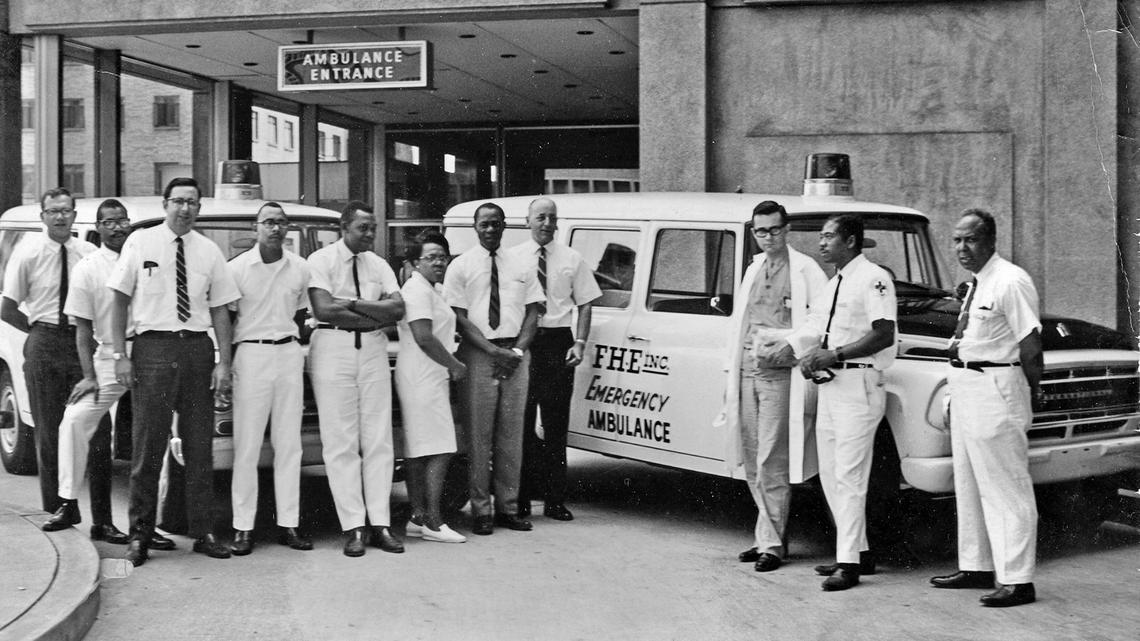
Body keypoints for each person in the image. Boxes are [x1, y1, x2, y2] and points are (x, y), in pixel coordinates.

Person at [108, 177, 241, 567]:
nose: (185, 209)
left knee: (200, 447)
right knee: (148, 445)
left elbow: (220, 309)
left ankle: (204, 532)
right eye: (179, 201)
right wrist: (121, 354)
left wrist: (224, 362)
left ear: (199, 208)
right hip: (152, 348)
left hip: (197, 348)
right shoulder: (140, 242)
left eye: (193, 203)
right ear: (165, 204)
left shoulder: (209, 251)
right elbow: (118, 301)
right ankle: (140, 534)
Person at [929, 208, 1042, 608]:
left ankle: (1018, 579)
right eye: (957, 240)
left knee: (1005, 487)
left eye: (971, 239)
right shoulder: (978, 283)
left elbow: (1030, 346)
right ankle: (976, 565)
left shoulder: (1011, 281)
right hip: (967, 387)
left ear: (991, 241)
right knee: (970, 483)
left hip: (997, 388)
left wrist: (1032, 392)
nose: (962, 247)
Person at [786, 214, 897, 592]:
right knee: (831, 472)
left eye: (829, 236)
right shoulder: (833, 283)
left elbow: (884, 334)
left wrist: (833, 355)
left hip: (859, 383)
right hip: (832, 386)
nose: (821, 243)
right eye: (821, 236)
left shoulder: (874, 278)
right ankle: (858, 551)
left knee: (849, 474)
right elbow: (814, 327)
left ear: (850, 241)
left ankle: (847, 563)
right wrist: (802, 354)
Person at [722, 200, 828, 572]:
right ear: (754, 233)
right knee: (752, 456)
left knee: (772, 457)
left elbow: (821, 317)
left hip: (780, 374)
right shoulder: (753, 268)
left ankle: (773, 543)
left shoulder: (806, 269)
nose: (769, 237)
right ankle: (766, 535)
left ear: (787, 230)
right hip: (749, 369)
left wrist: (791, 343)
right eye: (761, 231)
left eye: (775, 229)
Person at [307, 201, 405, 557]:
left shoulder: (379, 264)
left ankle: (381, 523)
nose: (370, 234)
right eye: (364, 228)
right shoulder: (321, 261)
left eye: (374, 228)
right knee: (341, 440)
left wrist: (351, 304)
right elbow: (323, 309)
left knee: (379, 438)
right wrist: (371, 311)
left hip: (374, 351)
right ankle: (354, 526)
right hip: (333, 348)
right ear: (344, 228)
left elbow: (398, 309)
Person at [443, 202, 544, 536]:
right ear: (475, 227)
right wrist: (490, 350)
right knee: (479, 435)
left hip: (516, 352)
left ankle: (508, 508)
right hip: (479, 353)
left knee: (511, 435)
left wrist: (516, 350)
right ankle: (481, 510)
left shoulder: (522, 264)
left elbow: (533, 312)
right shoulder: (460, 266)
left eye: (496, 223)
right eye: (484, 224)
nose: (490, 229)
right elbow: (458, 315)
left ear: (505, 226)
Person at [34, 198, 130, 544]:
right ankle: (68, 502)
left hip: (148, 352)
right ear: (99, 227)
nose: (116, 227)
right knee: (73, 421)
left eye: (121, 220)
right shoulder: (88, 266)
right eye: (108, 222)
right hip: (107, 358)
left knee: (156, 435)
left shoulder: (147, 258)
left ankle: (145, 525)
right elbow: (83, 329)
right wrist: (90, 376)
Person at [1, 188, 96, 519]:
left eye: (66, 210)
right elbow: (7, 307)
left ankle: (103, 519)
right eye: (53, 211)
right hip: (44, 342)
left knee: (91, 427)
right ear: (43, 216)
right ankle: (56, 511)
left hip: (82, 342)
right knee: (49, 429)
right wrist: (38, 331)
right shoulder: (28, 254)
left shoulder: (87, 252)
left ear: (74, 215)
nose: (60, 217)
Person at [226, 202, 313, 556]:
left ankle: (288, 524)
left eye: (280, 223)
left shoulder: (301, 269)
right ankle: (243, 528)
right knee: (246, 446)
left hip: (288, 354)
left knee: (289, 444)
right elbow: (228, 320)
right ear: (256, 227)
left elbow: (303, 313)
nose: (274, 229)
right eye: (268, 223)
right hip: (251, 354)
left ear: (287, 227)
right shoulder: (236, 269)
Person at [510, 197, 601, 522]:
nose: (546, 223)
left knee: (556, 425)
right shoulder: (513, 258)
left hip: (559, 342)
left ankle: (555, 500)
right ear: (528, 221)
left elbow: (587, 302)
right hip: (526, 341)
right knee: (520, 424)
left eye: (552, 218)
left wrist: (579, 342)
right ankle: (518, 501)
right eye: (540, 217)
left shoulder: (572, 258)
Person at [396, 230, 468, 544]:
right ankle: (435, 522)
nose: (439, 262)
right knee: (440, 447)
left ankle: (418, 516)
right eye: (431, 257)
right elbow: (424, 336)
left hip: (426, 375)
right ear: (414, 263)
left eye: (442, 257)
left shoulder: (430, 289)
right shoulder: (417, 291)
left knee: (420, 450)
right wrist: (454, 365)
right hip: (422, 374)